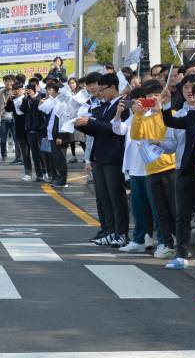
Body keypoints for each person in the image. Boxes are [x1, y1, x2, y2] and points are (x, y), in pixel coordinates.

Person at [160, 75, 195, 270]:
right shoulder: (189, 115)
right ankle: (180, 254)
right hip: (184, 169)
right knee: (182, 213)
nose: (193, 94)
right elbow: (170, 122)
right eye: (189, 90)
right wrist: (165, 105)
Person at [74, 73, 130, 247]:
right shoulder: (106, 106)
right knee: (104, 197)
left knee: (116, 197)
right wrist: (84, 125)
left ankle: (120, 233)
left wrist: (90, 123)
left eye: (102, 90)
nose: (100, 93)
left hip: (114, 157)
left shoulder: (122, 106)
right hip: (100, 156)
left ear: (113, 87)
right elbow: (100, 130)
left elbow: (116, 129)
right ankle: (109, 230)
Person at [130, 80, 178, 260]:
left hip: (170, 167)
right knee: (160, 210)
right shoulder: (145, 118)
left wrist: (161, 109)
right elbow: (135, 135)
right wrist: (138, 114)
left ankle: (178, 242)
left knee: (174, 209)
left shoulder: (171, 114)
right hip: (151, 170)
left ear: (162, 96)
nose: (153, 100)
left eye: (155, 97)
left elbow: (168, 132)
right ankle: (166, 243)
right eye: (149, 98)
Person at [114, 88, 156, 254]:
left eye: (140, 102)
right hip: (135, 170)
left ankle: (162, 240)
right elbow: (118, 129)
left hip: (151, 169)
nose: (136, 106)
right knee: (138, 207)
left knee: (155, 208)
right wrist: (118, 113)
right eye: (133, 103)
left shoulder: (153, 116)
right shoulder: (133, 117)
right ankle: (139, 239)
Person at [19, 82, 49, 182]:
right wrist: (25, 98)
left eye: (31, 88)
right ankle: (39, 175)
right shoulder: (26, 98)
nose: (29, 90)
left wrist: (33, 97)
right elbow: (23, 110)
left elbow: (41, 107)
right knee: (35, 154)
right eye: (28, 89)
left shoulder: (42, 96)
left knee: (43, 153)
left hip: (40, 129)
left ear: (37, 88)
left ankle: (46, 173)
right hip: (30, 130)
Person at [45, 82, 68, 187]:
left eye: (50, 90)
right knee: (55, 159)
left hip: (58, 136)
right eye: (47, 90)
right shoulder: (53, 103)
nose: (48, 92)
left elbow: (63, 121)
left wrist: (60, 136)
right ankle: (57, 179)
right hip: (51, 135)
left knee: (60, 159)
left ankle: (62, 180)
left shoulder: (62, 103)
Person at [0, 75, 18, 163]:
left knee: (16, 138)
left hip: (15, 118)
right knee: (3, 139)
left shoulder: (18, 91)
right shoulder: (1, 92)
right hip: (4, 118)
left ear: (14, 82)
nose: (9, 83)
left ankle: (18, 157)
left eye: (11, 81)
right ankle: (3, 155)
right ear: (4, 82)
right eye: (7, 81)